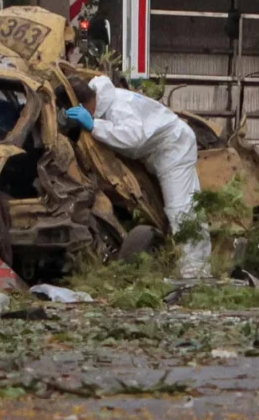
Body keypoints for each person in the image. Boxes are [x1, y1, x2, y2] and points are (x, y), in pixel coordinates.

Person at [66, 76, 211, 279]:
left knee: (181, 210)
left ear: (81, 104)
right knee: (186, 208)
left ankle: (194, 273)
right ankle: (194, 266)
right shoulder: (108, 99)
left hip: (173, 150)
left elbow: (133, 137)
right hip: (167, 149)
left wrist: (95, 126)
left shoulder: (117, 107)